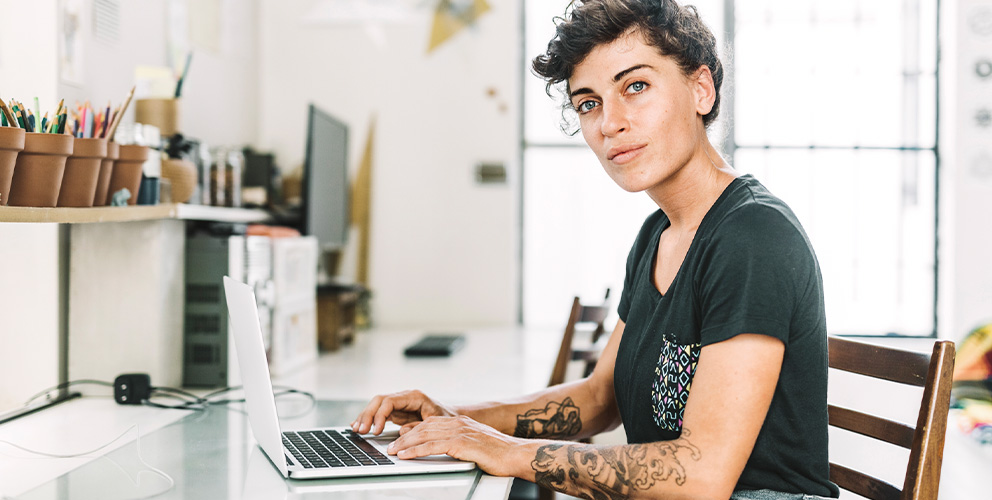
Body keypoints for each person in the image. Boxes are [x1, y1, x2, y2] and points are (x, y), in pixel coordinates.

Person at [352, 1, 839, 498]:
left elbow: (701, 476)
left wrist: (502, 449)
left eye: (635, 86)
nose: (609, 123)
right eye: (589, 103)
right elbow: (599, 398)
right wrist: (455, 420)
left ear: (701, 88)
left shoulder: (753, 235)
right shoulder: (659, 233)